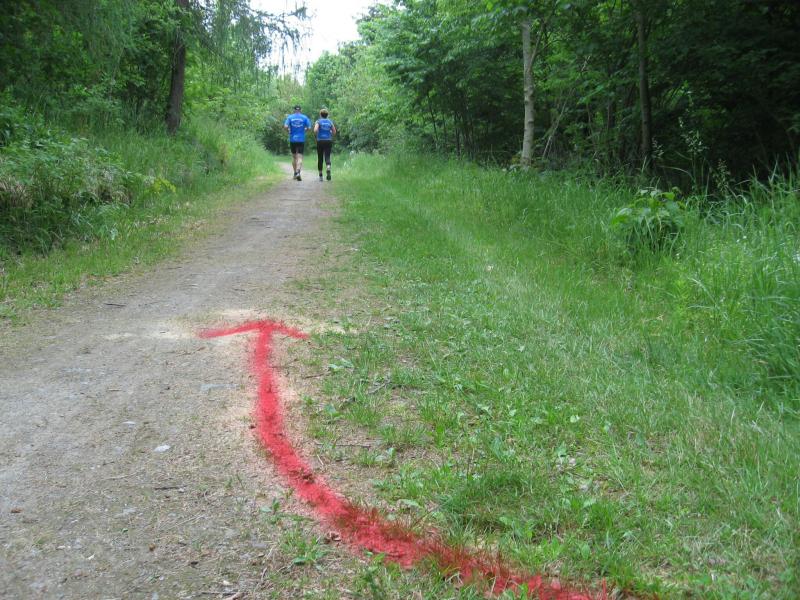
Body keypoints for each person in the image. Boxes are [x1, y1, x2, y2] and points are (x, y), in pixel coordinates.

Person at [283, 105, 311, 181]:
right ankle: (298, 172)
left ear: (294, 110)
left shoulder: (290, 117)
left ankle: (295, 174)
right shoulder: (305, 117)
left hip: (292, 139)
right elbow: (309, 128)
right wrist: (304, 130)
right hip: (301, 139)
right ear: (300, 110)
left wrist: (288, 131)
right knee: (300, 157)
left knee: (294, 157)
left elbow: (285, 126)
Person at [313, 108, 337, 181]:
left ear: (320, 115)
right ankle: (328, 168)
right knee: (327, 156)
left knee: (320, 158)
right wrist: (330, 133)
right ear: (327, 115)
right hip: (328, 141)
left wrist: (317, 134)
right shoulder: (330, 122)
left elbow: (315, 130)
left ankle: (320, 176)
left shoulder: (318, 121)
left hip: (320, 141)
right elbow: (334, 132)